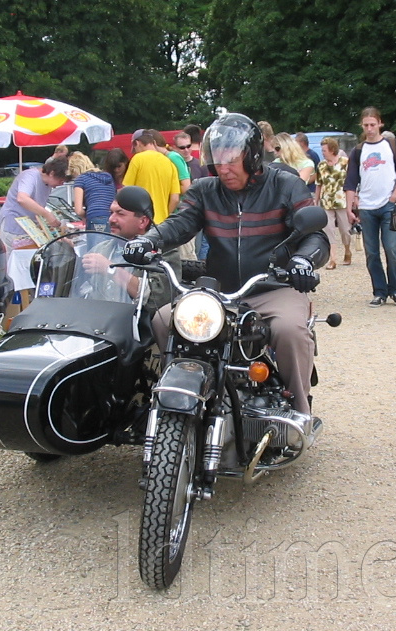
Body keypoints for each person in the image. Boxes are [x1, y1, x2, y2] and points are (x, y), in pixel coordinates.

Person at [124, 112, 329, 418]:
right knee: (165, 319)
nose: (223, 168)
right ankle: (179, 396)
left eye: (232, 160)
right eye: (218, 161)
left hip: (273, 286)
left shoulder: (286, 185)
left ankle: (299, 411)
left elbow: (315, 236)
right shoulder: (205, 190)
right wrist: (148, 240)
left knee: (290, 330)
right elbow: (179, 224)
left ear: (252, 156)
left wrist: (303, 260)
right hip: (219, 291)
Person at [80, 186, 180, 312]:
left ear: (142, 222)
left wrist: (110, 270)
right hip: (98, 319)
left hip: (136, 321)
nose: (111, 219)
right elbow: (80, 290)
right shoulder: (101, 249)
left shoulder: (162, 252)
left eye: (120, 214)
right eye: (111, 213)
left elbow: (158, 298)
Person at [344, 107, 396, 307]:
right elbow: (351, 181)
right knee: (371, 252)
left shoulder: (392, 146)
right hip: (367, 206)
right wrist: (349, 208)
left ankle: (395, 288)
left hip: (388, 204)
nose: (369, 129)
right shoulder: (358, 151)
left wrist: (394, 196)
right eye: (366, 125)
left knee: (391, 248)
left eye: (372, 124)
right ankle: (379, 291)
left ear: (380, 124)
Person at [0, 156, 69, 250]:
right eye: (60, 181)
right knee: (16, 257)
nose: (61, 184)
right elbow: (22, 199)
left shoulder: (48, 185)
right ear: (52, 173)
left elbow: (36, 208)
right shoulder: (30, 176)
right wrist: (47, 214)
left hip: (28, 229)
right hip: (13, 226)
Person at [123, 129, 181, 223]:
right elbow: (175, 199)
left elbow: (126, 191)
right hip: (161, 223)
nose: (136, 151)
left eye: (135, 148)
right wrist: (165, 216)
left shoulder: (138, 159)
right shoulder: (170, 163)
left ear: (137, 143)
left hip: (142, 221)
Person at [314, 136, 352, 269]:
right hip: (326, 201)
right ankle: (333, 258)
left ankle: (347, 250)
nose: (323, 153)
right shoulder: (321, 165)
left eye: (324, 150)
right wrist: (316, 200)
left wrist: (354, 198)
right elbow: (319, 184)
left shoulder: (345, 162)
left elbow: (351, 182)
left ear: (332, 150)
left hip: (342, 200)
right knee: (328, 230)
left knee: (345, 230)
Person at [73, 151, 121, 231]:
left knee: (97, 240)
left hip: (95, 217)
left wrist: (86, 215)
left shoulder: (81, 179)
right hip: (113, 216)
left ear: (74, 170)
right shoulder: (108, 177)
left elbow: (78, 211)